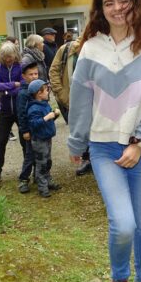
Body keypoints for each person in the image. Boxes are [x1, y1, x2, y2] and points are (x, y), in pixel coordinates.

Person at [68, 0, 141, 282]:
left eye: (123, 0)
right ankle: (120, 280)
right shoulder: (89, 50)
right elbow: (81, 100)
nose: (117, 8)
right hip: (103, 149)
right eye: (109, 2)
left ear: (134, 3)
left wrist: (140, 142)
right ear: (100, 9)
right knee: (123, 224)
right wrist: (76, 141)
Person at [49, 37, 92, 176]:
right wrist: (62, 94)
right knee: (77, 126)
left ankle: (93, 157)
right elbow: (54, 71)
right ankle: (84, 157)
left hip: (92, 98)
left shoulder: (97, 50)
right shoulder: (66, 50)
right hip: (69, 99)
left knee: (93, 126)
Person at [0, 42, 24, 185]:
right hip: (4, 111)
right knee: (1, 141)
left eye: (10, 56)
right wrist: (13, 85)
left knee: (24, 140)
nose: (8, 59)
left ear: (15, 54)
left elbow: (23, 85)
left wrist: (5, 90)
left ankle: (28, 169)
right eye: (5, 56)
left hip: (20, 109)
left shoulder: (21, 66)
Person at [27, 79, 62, 197]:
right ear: (39, 93)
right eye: (46, 90)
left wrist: (54, 114)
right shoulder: (33, 108)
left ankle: (48, 181)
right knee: (41, 163)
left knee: (48, 161)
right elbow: (34, 124)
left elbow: (47, 120)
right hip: (39, 140)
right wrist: (47, 117)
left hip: (47, 138)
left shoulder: (44, 104)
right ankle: (42, 187)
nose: (48, 92)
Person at [16, 60, 40, 193]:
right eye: (30, 74)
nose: (34, 77)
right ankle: (23, 179)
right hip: (28, 131)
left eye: (36, 73)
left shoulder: (39, 90)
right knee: (29, 156)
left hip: (39, 129)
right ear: (24, 76)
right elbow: (21, 114)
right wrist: (24, 130)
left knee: (41, 154)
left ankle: (39, 175)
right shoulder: (23, 94)